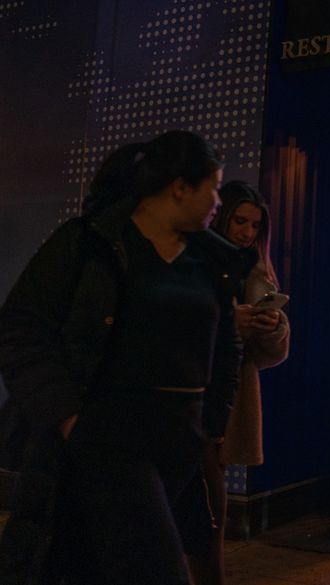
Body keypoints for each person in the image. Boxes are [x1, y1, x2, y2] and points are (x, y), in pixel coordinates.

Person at [0, 131, 255, 585]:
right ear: (180, 187)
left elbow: (225, 344)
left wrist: (212, 419)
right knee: (157, 567)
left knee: (84, 562)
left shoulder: (212, 260)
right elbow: (20, 326)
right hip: (110, 436)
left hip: (180, 442)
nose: (219, 202)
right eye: (213, 188)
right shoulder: (91, 243)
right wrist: (67, 417)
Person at [186, 180, 290, 585]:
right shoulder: (196, 259)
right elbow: (174, 328)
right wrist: (231, 323)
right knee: (205, 501)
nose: (247, 232)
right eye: (240, 221)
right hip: (194, 392)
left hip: (228, 394)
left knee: (213, 503)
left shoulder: (256, 269)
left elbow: (271, 355)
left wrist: (271, 325)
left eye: (255, 225)